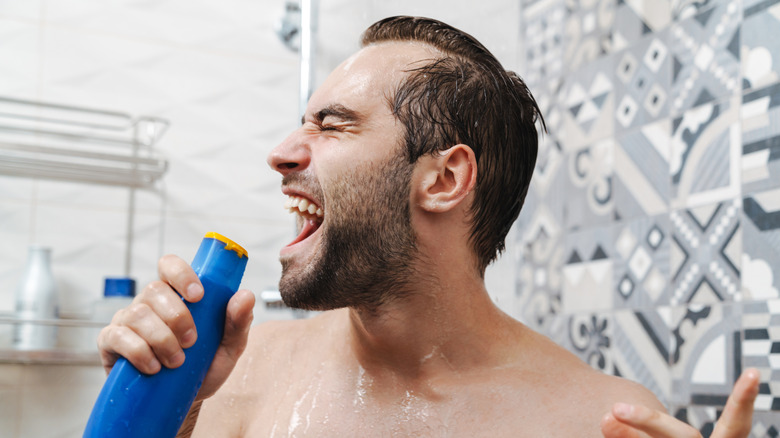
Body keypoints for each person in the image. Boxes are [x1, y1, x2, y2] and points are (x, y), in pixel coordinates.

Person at [97, 16, 760, 437]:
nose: (281, 152)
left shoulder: (600, 420)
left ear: (443, 180)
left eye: (331, 125)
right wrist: (159, 414)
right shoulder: (236, 375)